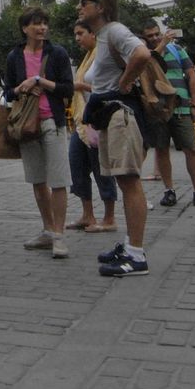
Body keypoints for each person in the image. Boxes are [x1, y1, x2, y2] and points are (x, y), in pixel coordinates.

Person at [78, 0, 154, 278]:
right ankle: (130, 245)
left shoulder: (115, 31)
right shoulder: (103, 36)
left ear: (102, 6)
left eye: (85, 2)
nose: (80, 7)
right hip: (112, 117)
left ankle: (136, 254)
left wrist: (124, 82)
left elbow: (142, 54)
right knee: (124, 182)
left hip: (123, 116)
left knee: (130, 181)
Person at [6, 6, 75, 259]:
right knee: (37, 180)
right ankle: (47, 229)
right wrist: (22, 89)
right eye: (36, 23)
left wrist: (39, 81)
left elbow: (68, 88)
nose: (42, 27)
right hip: (26, 124)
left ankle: (59, 235)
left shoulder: (57, 53)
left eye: (45, 23)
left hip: (51, 121)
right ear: (25, 28)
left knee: (58, 180)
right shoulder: (14, 56)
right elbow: (7, 92)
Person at [142, 20, 195, 209]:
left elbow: (191, 75)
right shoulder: (145, 53)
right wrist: (161, 44)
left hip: (181, 107)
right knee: (161, 149)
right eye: (149, 36)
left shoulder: (177, 50)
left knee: (191, 148)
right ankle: (169, 190)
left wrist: (194, 104)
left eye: (156, 34)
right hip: (158, 109)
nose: (154, 38)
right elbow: (149, 63)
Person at [66, 20, 116, 232]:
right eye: (75, 34)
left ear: (93, 34)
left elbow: (105, 87)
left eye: (81, 33)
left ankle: (109, 218)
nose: (77, 38)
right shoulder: (87, 57)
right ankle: (87, 214)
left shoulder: (102, 56)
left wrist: (80, 85)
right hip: (81, 120)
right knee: (77, 166)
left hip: (97, 119)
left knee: (101, 169)